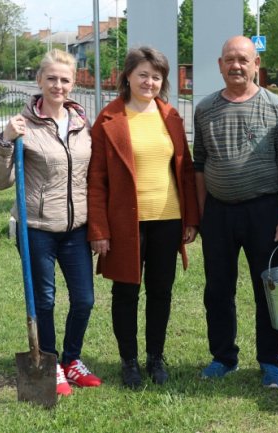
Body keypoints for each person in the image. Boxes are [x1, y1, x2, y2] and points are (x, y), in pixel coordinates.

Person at [0, 49, 101, 397]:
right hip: (36, 228)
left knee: (84, 299)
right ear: (39, 80)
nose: (58, 85)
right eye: (51, 78)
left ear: (74, 83)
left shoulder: (83, 124)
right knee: (45, 300)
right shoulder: (23, 125)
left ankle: (72, 359)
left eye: (65, 79)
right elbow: (1, 181)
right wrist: (5, 141)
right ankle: (51, 364)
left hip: (76, 228)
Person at [87, 46, 199, 389]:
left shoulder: (171, 116)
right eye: (143, 75)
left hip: (168, 219)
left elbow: (185, 170)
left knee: (161, 291)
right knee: (126, 292)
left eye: (156, 76)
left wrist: (191, 218)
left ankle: (155, 358)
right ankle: (129, 362)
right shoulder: (109, 119)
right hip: (125, 223)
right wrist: (98, 229)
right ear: (128, 76)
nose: (149, 82)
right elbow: (96, 180)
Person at [193, 35, 278, 389]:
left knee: (268, 288)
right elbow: (199, 165)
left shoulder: (276, 107)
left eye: (243, 59)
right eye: (229, 59)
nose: (236, 65)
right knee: (217, 290)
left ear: (256, 64)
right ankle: (223, 357)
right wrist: (203, 215)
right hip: (218, 213)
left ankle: (271, 361)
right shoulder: (205, 109)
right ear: (220, 65)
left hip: (264, 212)